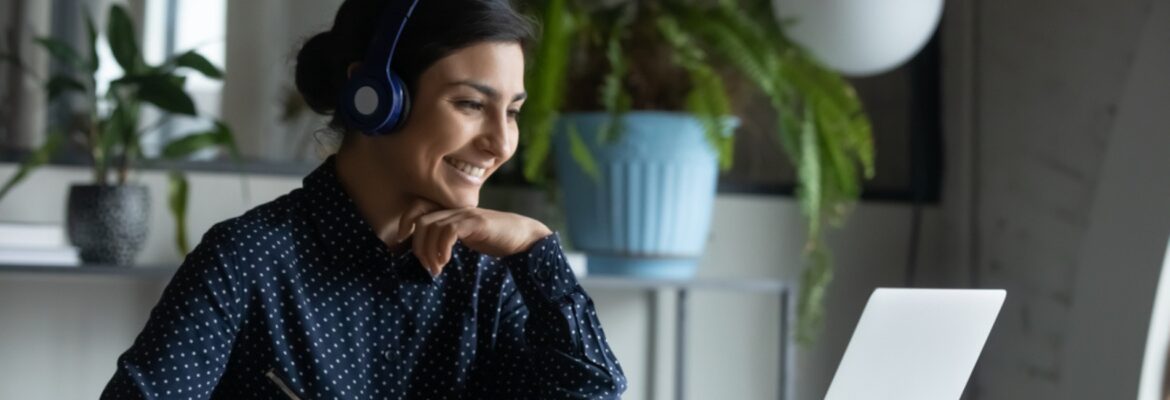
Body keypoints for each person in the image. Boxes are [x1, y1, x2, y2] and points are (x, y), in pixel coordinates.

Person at [99, 0, 628, 398]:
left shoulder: (492, 275)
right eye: (470, 103)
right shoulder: (247, 260)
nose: (500, 142)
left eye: (511, 111)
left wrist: (536, 247)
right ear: (374, 98)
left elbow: (593, 390)